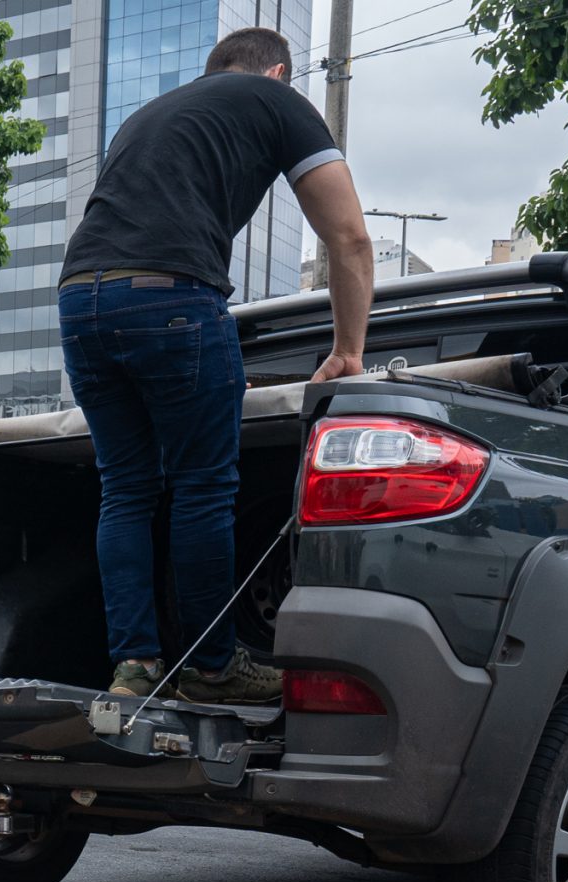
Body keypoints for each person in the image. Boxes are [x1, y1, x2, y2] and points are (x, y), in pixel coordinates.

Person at [58, 26, 375, 703]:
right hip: (172, 296)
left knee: (127, 488)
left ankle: (135, 667)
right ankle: (211, 666)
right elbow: (348, 235)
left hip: (80, 300)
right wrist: (347, 351)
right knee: (202, 487)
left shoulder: (150, 115)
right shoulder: (276, 100)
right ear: (279, 72)